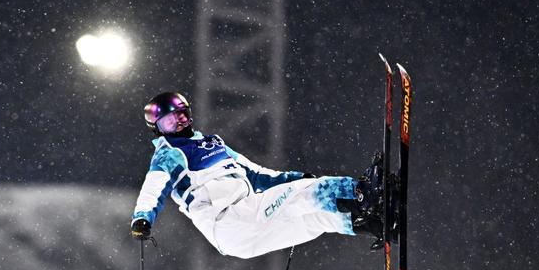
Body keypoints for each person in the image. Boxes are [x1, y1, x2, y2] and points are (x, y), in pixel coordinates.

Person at [130, 91, 388, 257]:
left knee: (314, 220)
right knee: (312, 193)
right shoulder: (170, 153)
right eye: (169, 121)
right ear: (158, 128)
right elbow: (154, 188)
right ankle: (365, 193)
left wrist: (296, 178)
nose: (179, 123)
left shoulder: (214, 144)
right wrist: (142, 218)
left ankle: (375, 224)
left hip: (243, 231)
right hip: (227, 219)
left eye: (182, 115)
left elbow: (258, 175)